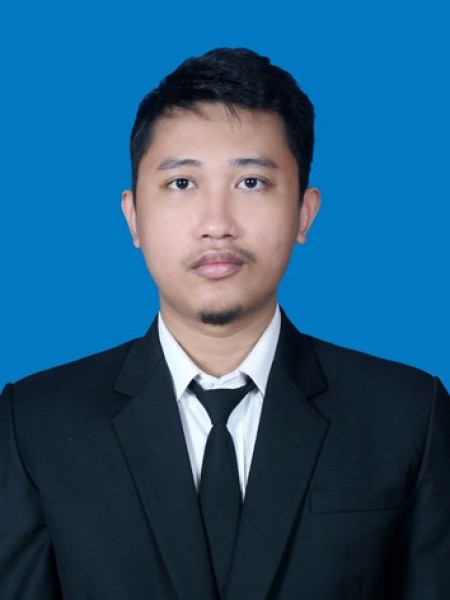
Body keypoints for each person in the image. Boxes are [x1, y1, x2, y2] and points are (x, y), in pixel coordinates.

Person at [1, 48, 449, 600]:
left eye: (252, 182)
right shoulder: (36, 425)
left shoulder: (407, 415)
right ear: (133, 216)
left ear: (304, 212)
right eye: (182, 183)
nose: (217, 225)